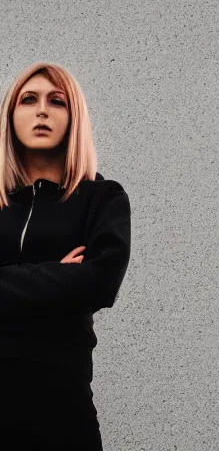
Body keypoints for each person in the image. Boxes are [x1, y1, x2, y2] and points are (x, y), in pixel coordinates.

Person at [0, 63, 131, 450]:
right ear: (11, 116)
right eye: (29, 100)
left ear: (74, 116)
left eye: (56, 101)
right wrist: (57, 275)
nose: (42, 110)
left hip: (60, 395)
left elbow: (100, 282)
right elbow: (77, 283)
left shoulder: (102, 197)